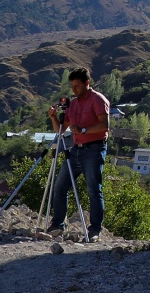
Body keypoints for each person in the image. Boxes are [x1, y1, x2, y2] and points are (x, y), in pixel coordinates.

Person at [47, 67, 110, 240]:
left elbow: (104, 125)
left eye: (77, 86)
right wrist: (53, 117)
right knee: (60, 187)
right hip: (76, 149)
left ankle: (95, 229)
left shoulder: (98, 100)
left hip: (94, 149)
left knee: (93, 190)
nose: (74, 89)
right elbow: (61, 130)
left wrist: (83, 130)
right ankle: (58, 225)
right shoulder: (73, 104)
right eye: (72, 86)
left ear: (87, 83)